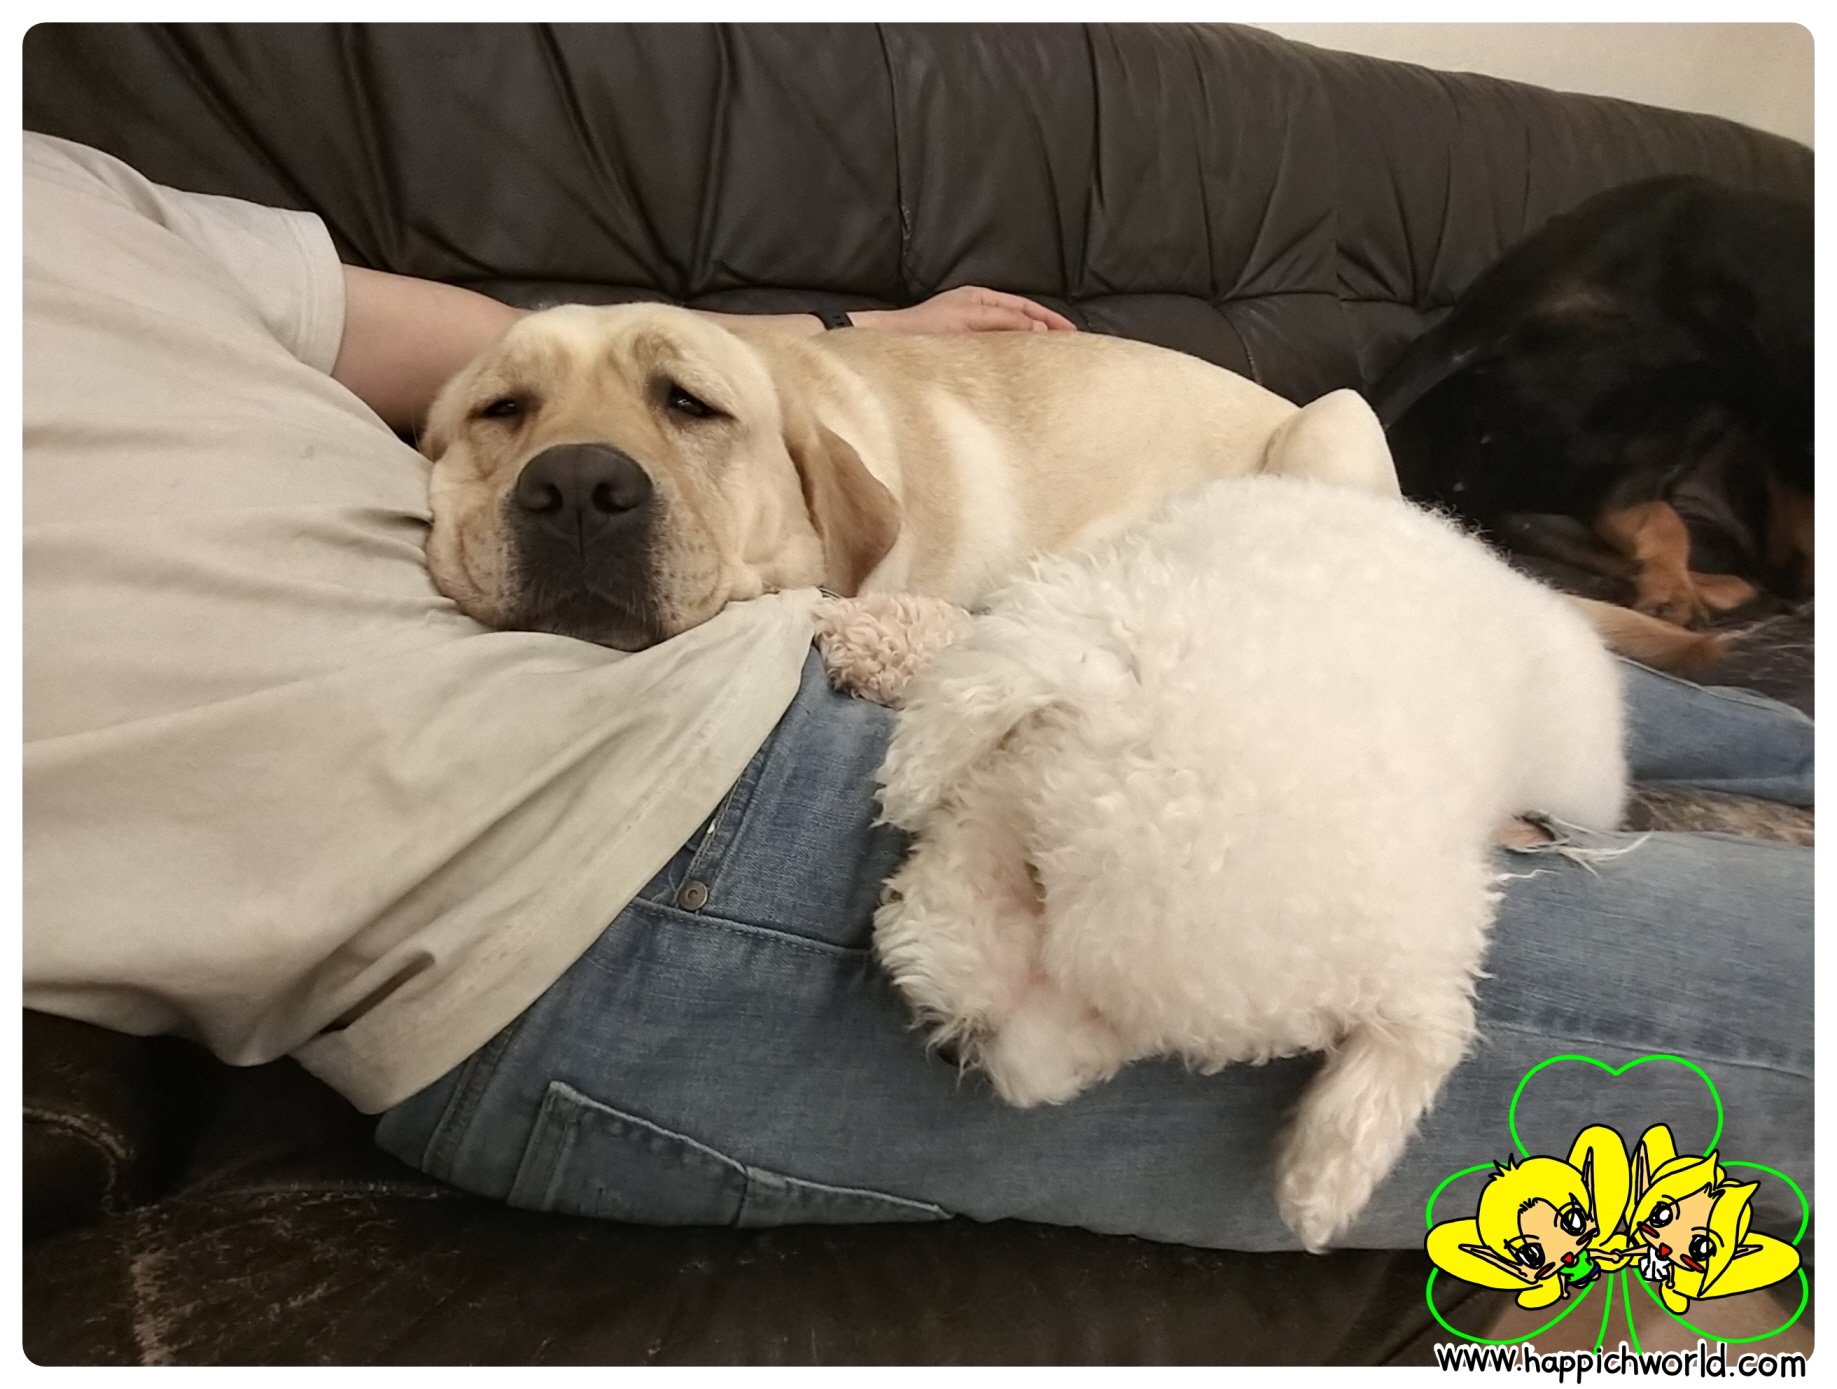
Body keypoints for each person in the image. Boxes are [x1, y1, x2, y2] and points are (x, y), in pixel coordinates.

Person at [24, 132, 1812, 1253]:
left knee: (1723, 731)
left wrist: (824, 350)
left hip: (1267, 546)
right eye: (504, 429)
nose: (581, 471)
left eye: (676, 417)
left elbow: (437, 335)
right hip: (560, 872)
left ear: (825, 492)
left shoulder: (81, 187)